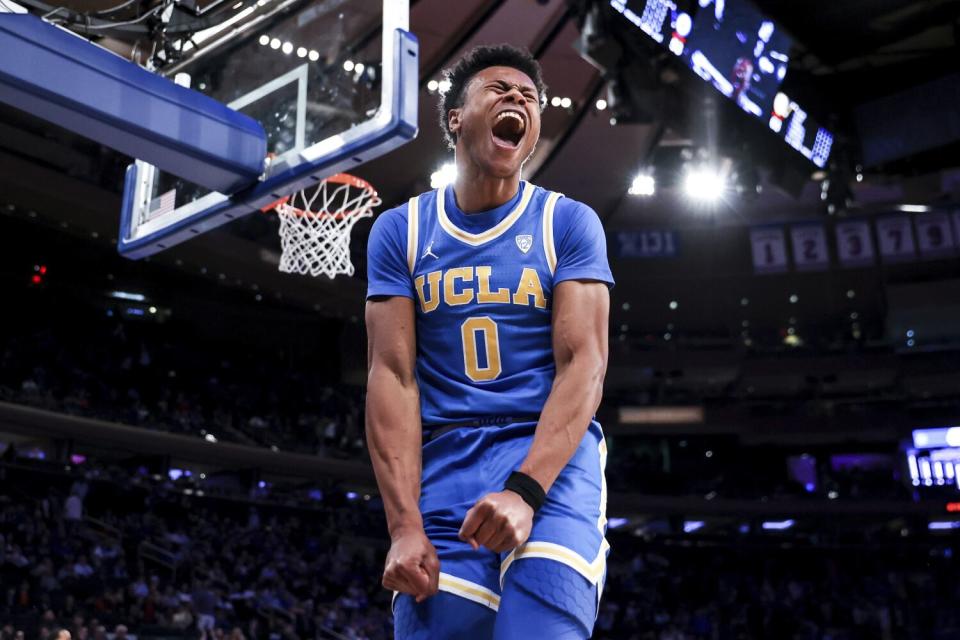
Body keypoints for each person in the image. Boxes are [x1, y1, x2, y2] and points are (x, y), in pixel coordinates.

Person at [365, 44, 613, 639]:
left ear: (530, 137)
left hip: (550, 462)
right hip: (448, 467)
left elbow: (585, 364)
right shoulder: (401, 231)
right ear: (455, 117)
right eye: (500, 89)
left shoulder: (567, 222)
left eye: (529, 97)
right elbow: (392, 380)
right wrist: (403, 525)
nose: (518, 100)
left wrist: (525, 491)